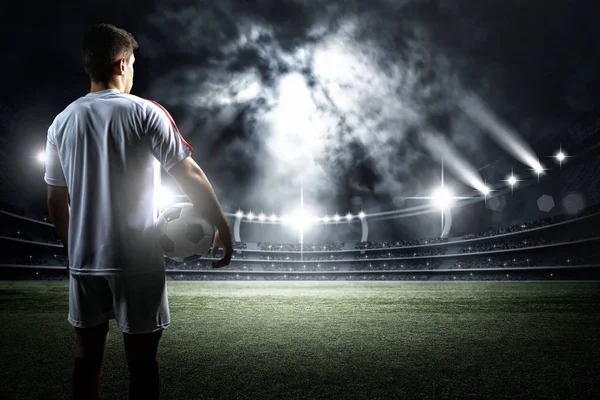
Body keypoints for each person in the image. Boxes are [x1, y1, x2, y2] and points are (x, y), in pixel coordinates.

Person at [44, 23, 233, 400]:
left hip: (86, 259)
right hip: (138, 258)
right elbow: (189, 173)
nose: (132, 71)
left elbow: (54, 200)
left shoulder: (61, 122)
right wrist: (221, 225)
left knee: (87, 357)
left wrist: (70, 250)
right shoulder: (146, 112)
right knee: (142, 360)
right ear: (120, 64)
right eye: (131, 63)